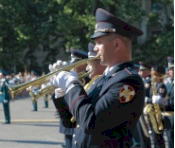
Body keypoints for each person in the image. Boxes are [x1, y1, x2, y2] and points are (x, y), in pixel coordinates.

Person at [51, 8, 145, 147]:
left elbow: (91, 122)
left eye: (99, 42)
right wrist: (62, 92)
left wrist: (72, 85)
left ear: (116, 44)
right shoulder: (103, 78)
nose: (95, 49)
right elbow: (73, 121)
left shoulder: (128, 82)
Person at [152, 57, 174, 148]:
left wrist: (161, 101)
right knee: (170, 142)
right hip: (169, 118)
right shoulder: (171, 83)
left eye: (171, 69)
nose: (168, 72)